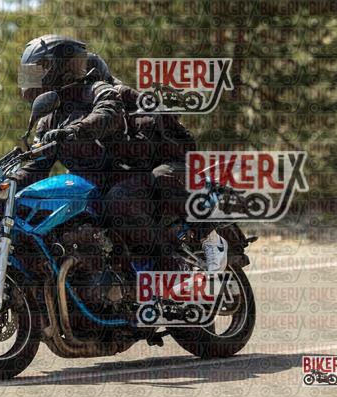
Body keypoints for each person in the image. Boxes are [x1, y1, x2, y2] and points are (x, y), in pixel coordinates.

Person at [16, 34, 226, 272]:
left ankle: (174, 264)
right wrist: (4, 187)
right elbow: (35, 166)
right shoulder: (48, 120)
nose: (32, 78)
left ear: (60, 67)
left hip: (137, 172)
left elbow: (108, 113)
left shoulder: (98, 90)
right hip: (100, 184)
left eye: (39, 69)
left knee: (119, 200)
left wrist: (76, 129)